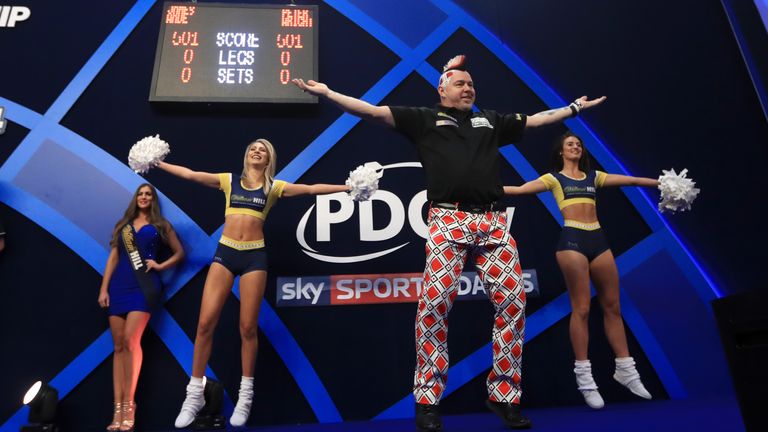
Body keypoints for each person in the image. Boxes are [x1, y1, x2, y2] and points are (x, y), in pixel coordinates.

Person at [292, 55, 606, 431]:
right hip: (447, 218)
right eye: (461, 83)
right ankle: (427, 399)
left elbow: (536, 120)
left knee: (513, 302)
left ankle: (504, 394)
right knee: (434, 304)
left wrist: (572, 109)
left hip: (492, 221)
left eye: (472, 84)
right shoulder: (424, 119)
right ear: (442, 88)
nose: (469, 88)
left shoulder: (490, 120)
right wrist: (328, 93)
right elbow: (373, 112)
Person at [161, 139, 350, 428]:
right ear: (246, 155)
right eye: (252, 148)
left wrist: (349, 188)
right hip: (225, 252)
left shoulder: (272, 188)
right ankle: (194, 394)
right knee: (204, 324)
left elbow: (312, 190)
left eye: (263, 149)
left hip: (254, 258)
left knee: (248, 327)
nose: (256, 150)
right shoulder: (228, 181)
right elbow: (190, 174)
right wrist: (157, 163)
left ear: (268, 159)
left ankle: (245, 396)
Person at [503, 131, 657, 409]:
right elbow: (519, 190)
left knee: (612, 306)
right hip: (571, 240)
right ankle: (585, 379)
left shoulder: (593, 177)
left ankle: (626, 369)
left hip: (598, 239)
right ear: (561, 152)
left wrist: (662, 183)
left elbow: (632, 181)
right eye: (569, 144)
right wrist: (476, 189)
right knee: (582, 308)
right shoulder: (554, 179)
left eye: (578, 144)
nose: (575, 146)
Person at [98, 183, 185, 431]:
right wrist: (104, 289)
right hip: (119, 286)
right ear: (135, 198)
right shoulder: (122, 225)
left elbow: (179, 253)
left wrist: (160, 265)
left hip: (144, 287)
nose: (144, 197)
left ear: (153, 199)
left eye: (148, 194)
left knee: (130, 341)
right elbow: (113, 257)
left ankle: (129, 406)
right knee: (118, 346)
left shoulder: (161, 225)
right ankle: (117, 409)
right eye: (141, 194)